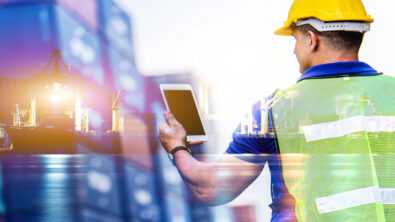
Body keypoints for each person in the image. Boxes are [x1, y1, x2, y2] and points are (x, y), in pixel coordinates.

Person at [159, 0, 395, 221]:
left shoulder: (272, 110)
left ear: (311, 39)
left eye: (295, 40)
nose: (294, 51)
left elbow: (211, 188)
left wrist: (177, 147)